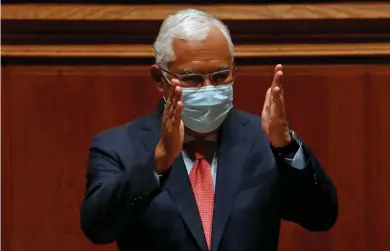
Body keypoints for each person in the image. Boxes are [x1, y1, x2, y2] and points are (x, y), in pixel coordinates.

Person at [80, 8, 338, 251]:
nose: (207, 88)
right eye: (191, 78)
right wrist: (157, 164)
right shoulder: (118, 147)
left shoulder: (265, 141)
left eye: (219, 76)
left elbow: (320, 216)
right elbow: (98, 228)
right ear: (160, 80)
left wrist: (286, 146)